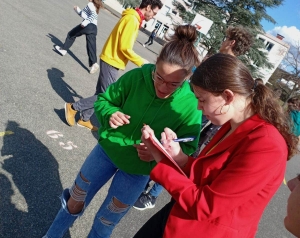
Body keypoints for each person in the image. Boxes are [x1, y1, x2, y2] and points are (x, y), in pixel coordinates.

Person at [42, 25, 202, 238]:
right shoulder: (136, 77)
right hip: (107, 152)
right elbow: (104, 100)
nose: (162, 87)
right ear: (155, 65)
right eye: (159, 77)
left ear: (186, 78)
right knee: (74, 201)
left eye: (173, 84)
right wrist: (110, 113)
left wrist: (159, 154)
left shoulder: (191, 104)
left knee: (105, 223)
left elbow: (189, 147)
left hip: (138, 172)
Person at [133, 53, 298, 238]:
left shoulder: (267, 144)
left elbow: (205, 205)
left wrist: (160, 156)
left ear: (227, 96)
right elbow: (208, 174)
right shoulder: (232, 124)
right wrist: (179, 157)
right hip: (180, 215)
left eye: (202, 99)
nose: (198, 107)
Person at [64, 0, 163, 131]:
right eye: (154, 13)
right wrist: (142, 63)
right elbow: (124, 47)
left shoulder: (133, 17)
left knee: (101, 92)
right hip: (112, 60)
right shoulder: (132, 20)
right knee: (106, 97)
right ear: (148, 8)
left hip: (111, 58)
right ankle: (73, 107)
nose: (153, 16)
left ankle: (84, 118)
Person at [192, 25, 254, 157]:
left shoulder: (220, 65)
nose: (223, 41)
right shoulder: (234, 69)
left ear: (231, 43)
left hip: (203, 107)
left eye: (226, 38)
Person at [54, 0, 103, 74]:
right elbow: (85, 15)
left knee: (71, 34)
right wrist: (77, 10)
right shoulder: (95, 6)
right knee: (91, 46)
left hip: (88, 25)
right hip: (94, 28)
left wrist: (85, 23)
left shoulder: (90, 4)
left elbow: (92, 16)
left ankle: (63, 49)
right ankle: (94, 63)